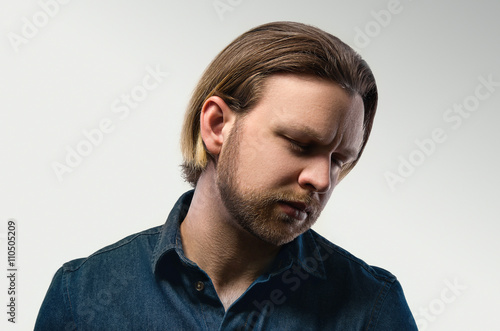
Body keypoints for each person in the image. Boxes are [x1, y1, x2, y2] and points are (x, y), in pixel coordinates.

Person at [35, 21, 417, 330]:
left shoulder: (373, 310)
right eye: (300, 144)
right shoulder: (82, 297)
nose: (321, 179)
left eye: (339, 160)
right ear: (217, 125)